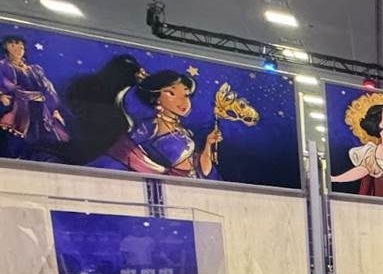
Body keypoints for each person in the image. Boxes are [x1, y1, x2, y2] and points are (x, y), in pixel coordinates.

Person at [90, 70, 220, 178]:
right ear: (157, 97)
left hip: (192, 187)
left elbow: (201, 169)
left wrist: (208, 144)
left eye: (186, 95)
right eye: (171, 93)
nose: (182, 101)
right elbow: (127, 151)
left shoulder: (183, 131)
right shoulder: (150, 127)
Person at [0, 33, 69, 160]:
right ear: (5, 47)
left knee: (45, 140)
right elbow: (7, 86)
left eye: (20, 46)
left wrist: (54, 108)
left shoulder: (35, 69)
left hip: (41, 110)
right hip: (19, 109)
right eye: (12, 45)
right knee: (17, 142)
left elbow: (48, 89)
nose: (17, 49)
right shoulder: (3, 66)